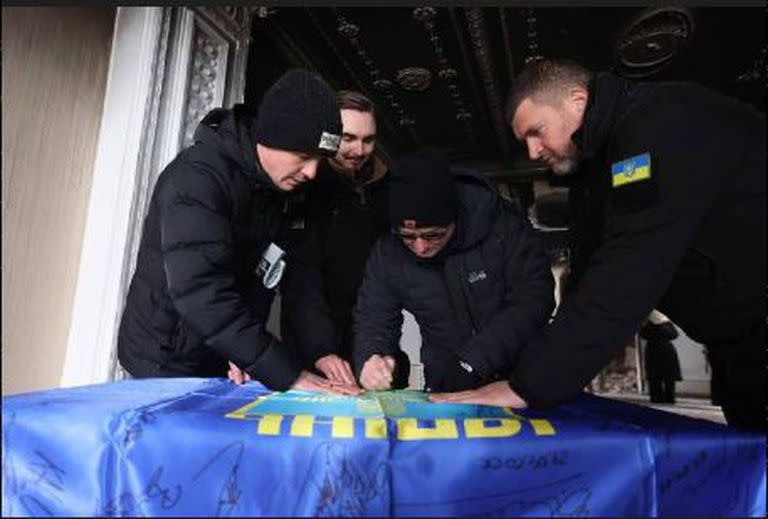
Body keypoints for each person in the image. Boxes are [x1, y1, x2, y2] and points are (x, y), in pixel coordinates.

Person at [430, 59, 765, 430]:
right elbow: (586, 281)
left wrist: (530, 385)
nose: (532, 151)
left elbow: (628, 271)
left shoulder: (655, 125)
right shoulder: (595, 171)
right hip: (738, 350)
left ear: (577, 101)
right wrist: (531, 370)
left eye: (536, 132)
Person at [117, 69, 359, 396]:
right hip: (164, 359)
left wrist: (321, 350)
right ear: (270, 138)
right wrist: (288, 375)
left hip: (227, 354)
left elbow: (300, 278)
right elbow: (201, 293)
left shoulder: (288, 192)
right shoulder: (197, 180)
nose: (312, 172)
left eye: (321, 159)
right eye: (304, 157)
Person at [354, 151, 555, 392]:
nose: (420, 247)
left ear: (455, 218)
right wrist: (372, 356)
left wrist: (473, 361)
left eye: (433, 235)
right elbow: (373, 317)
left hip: (522, 376)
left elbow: (534, 298)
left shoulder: (503, 228)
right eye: (407, 237)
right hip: (446, 380)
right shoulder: (388, 253)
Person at [278, 90, 410, 388]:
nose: (359, 150)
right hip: (314, 348)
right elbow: (301, 279)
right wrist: (321, 350)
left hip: (373, 340)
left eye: (368, 140)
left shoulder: (391, 189)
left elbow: (395, 276)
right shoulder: (304, 186)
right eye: (348, 138)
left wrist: (379, 350)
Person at [639, 310, 681, 404]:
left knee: (661, 377)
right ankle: (666, 398)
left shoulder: (649, 325)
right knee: (663, 377)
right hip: (663, 350)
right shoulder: (666, 324)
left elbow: (644, 334)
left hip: (657, 351)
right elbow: (674, 335)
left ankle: (661, 398)